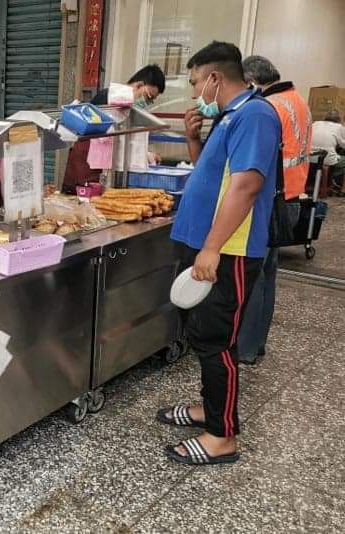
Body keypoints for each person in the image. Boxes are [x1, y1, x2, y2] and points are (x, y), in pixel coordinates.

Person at [157, 41, 281, 464]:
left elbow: (246, 185)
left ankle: (221, 436)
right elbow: (211, 176)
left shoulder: (256, 115)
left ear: (214, 78)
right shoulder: (228, 117)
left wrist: (211, 248)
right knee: (202, 335)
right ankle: (208, 409)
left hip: (229, 250)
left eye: (195, 83)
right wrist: (194, 138)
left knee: (217, 341)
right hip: (205, 245)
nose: (195, 93)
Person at [237, 55, 312, 365]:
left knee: (253, 276)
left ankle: (244, 349)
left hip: (270, 203)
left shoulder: (268, 108)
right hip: (292, 200)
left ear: (252, 82)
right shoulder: (297, 100)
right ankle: (258, 343)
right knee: (268, 275)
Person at [63, 64, 166, 193]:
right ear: (139, 85)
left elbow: (122, 140)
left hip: (102, 170)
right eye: (148, 97)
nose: (147, 102)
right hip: (85, 164)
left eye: (151, 100)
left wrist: (144, 154)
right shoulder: (108, 97)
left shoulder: (130, 109)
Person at [311, 110, 345, 193]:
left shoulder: (315, 124)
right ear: (339, 120)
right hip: (326, 159)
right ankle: (343, 190)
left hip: (309, 157)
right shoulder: (339, 127)